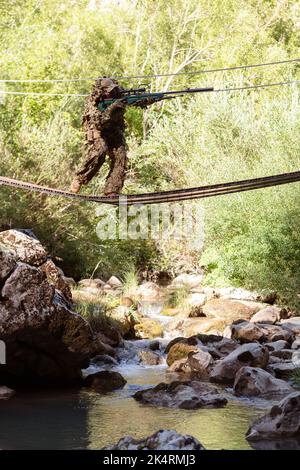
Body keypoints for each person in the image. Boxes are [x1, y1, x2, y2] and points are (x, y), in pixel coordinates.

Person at [70, 77, 153, 196]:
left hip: (114, 130)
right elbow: (100, 123)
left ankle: (112, 190)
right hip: (98, 130)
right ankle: (79, 179)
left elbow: (135, 100)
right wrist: (112, 107)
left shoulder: (119, 94)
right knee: (100, 151)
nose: (110, 92)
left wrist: (146, 100)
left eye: (112, 90)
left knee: (121, 155)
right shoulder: (93, 102)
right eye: (108, 90)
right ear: (101, 91)